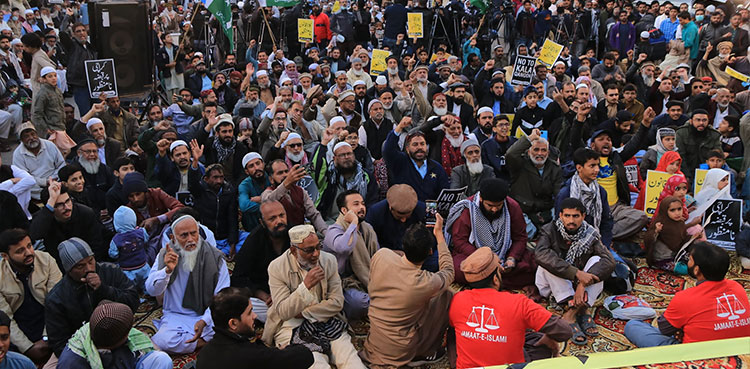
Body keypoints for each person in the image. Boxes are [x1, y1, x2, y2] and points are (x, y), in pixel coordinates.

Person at [262, 224, 366, 369]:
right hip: (292, 326)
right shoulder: (277, 267)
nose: (316, 254)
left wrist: (304, 313)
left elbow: (337, 302)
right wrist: (305, 286)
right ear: (293, 250)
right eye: (309, 250)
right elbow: (283, 312)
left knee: (351, 361)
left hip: (325, 319)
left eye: (318, 247)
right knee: (315, 363)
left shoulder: (328, 260)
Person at [449, 247, 573, 367]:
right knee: (540, 342)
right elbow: (565, 331)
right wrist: (549, 338)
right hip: (510, 366)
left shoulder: (458, 299)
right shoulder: (519, 303)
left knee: (453, 331)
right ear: (496, 280)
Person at [362, 215, 453, 367]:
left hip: (376, 338)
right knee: (446, 294)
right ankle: (426, 351)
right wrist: (439, 235)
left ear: (404, 245)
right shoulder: (426, 282)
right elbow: (449, 271)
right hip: (402, 348)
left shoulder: (381, 255)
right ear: (430, 252)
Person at [624, 241, 750, 347]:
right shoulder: (737, 287)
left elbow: (664, 329)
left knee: (632, 326)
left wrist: (682, 330)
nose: (687, 261)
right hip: (738, 351)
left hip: (696, 356)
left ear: (697, 270)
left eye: (690, 259)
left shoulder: (685, 297)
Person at [45, 238, 139, 365]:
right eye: (80, 266)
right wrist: (91, 355)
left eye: (91, 261)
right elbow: (59, 342)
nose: (89, 269)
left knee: (155, 356)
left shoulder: (110, 271)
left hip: (119, 336)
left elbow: (133, 302)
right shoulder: (57, 297)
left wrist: (103, 290)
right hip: (81, 348)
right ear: (69, 269)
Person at [535, 198, 615, 345]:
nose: (571, 220)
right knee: (550, 262)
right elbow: (541, 254)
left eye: (575, 216)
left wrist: (582, 284)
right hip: (553, 286)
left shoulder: (590, 233)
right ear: (560, 216)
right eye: (567, 216)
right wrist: (576, 274)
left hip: (580, 287)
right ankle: (580, 309)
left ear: (583, 216)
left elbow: (609, 261)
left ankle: (572, 312)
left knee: (597, 262)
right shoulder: (549, 230)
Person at [145, 215, 230, 354]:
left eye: (193, 233)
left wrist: (204, 320)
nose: (190, 239)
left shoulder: (215, 257)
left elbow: (222, 295)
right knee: (164, 340)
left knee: (235, 319)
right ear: (173, 238)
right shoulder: (165, 256)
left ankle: (196, 341)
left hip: (208, 315)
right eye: (184, 235)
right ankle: (204, 342)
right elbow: (151, 290)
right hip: (177, 316)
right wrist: (167, 271)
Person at [196, 287, 314, 369]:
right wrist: (283, 351)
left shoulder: (204, 354)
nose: (255, 316)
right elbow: (305, 356)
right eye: (249, 313)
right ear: (233, 324)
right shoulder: (251, 356)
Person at [0, 228, 61, 366]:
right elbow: (5, 318)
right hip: (18, 336)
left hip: (51, 327)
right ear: (5, 256)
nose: (28, 253)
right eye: (20, 251)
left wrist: (46, 338)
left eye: (29, 246)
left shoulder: (46, 260)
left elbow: (56, 303)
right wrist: (28, 348)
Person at [57, 300, 173, 369]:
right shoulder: (71, 363)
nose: (132, 333)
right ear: (120, 340)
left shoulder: (107, 331)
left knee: (161, 360)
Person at [323, 190, 379, 321]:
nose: (362, 208)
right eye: (356, 204)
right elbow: (344, 247)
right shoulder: (334, 230)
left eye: (363, 204)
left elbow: (376, 256)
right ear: (344, 210)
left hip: (366, 278)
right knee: (361, 303)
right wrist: (353, 223)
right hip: (342, 284)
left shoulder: (367, 229)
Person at [29, 181, 105, 267]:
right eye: (59, 205)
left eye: (68, 201)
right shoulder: (44, 217)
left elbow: (97, 245)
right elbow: (35, 234)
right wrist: (51, 201)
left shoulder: (85, 213)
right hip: (59, 266)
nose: (67, 207)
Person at [188, 140, 241, 258]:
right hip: (206, 239)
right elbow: (192, 183)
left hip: (224, 238)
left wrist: (232, 243)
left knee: (246, 239)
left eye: (221, 177)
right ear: (206, 179)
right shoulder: (200, 191)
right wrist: (195, 161)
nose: (219, 181)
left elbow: (232, 219)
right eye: (215, 177)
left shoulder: (229, 192)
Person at [506, 129, 563, 238]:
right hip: (523, 211)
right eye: (536, 149)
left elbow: (558, 194)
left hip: (546, 211)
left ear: (548, 153)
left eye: (543, 150)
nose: (540, 153)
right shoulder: (520, 164)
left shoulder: (554, 168)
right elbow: (511, 154)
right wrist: (530, 138)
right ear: (528, 151)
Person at [382, 117, 449, 201]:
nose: (419, 147)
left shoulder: (436, 167)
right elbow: (388, 150)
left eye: (422, 144)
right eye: (415, 144)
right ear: (407, 148)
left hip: (430, 211)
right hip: (406, 210)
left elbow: (445, 193)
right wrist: (399, 127)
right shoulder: (400, 162)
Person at [261, 160, 327, 232]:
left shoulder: (300, 191)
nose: (285, 175)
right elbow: (269, 202)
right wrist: (286, 184)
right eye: (280, 173)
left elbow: (314, 215)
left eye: (286, 171)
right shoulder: (267, 193)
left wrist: (326, 233)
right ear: (271, 179)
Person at [12, 122, 65, 201]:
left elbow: (61, 164)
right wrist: (45, 182)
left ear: (37, 134)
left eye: (33, 134)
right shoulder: (18, 154)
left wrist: (53, 179)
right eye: (26, 136)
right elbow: (23, 176)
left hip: (55, 179)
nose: (31, 138)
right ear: (22, 140)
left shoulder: (49, 145)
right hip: (35, 186)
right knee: (24, 185)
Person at [31, 66, 74, 156]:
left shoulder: (57, 90)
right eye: (50, 76)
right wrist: (46, 128)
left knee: (61, 153)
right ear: (44, 79)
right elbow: (37, 114)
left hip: (61, 126)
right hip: (52, 129)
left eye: (54, 75)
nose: (53, 78)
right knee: (63, 152)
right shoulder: (43, 94)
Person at [108, 207, 151, 292]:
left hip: (127, 270)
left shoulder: (116, 239)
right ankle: (149, 294)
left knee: (130, 289)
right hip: (143, 266)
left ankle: (136, 299)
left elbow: (113, 254)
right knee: (147, 283)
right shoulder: (141, 232)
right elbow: (146, 239)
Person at [676, 109, 722, 185]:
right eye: (698, 120)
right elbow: (680, 156)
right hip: (686, 168)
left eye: (704, 120)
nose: (701, 123)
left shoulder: (714, 134)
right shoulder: (681, 133)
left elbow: (718, 155)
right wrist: (686, 175)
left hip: (706, 169)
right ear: (691, 121)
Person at [238, 152, 269, 232]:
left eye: (258, 163)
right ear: (247, 171)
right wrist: (269, 205)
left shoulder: (272, 177)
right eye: (251, 166)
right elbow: (244, 205)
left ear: (263, 164)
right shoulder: (244, 185)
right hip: (254, 227)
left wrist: (261, 199)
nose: (256, 168)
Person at [482, 115, 518, 181]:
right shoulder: (486, 145)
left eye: (507, 124)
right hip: (495, 179)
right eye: (501, 125)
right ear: (494, 129)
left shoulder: (516, 142)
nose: (504, 127)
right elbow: (486, 167)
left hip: (514, 178)